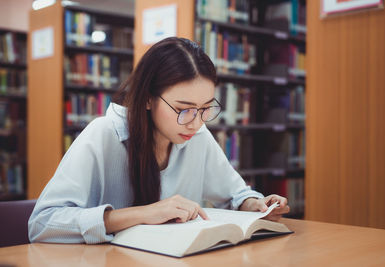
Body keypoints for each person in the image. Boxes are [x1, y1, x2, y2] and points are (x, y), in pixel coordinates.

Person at [28, 37, 290, 244]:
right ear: (147, 99)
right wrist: (144, 214)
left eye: (205, 108)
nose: (196, 122)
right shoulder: (104, 134)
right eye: (183, 109)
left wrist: (255, 204)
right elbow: (42, 224)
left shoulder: (197, 136)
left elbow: (235, 193)